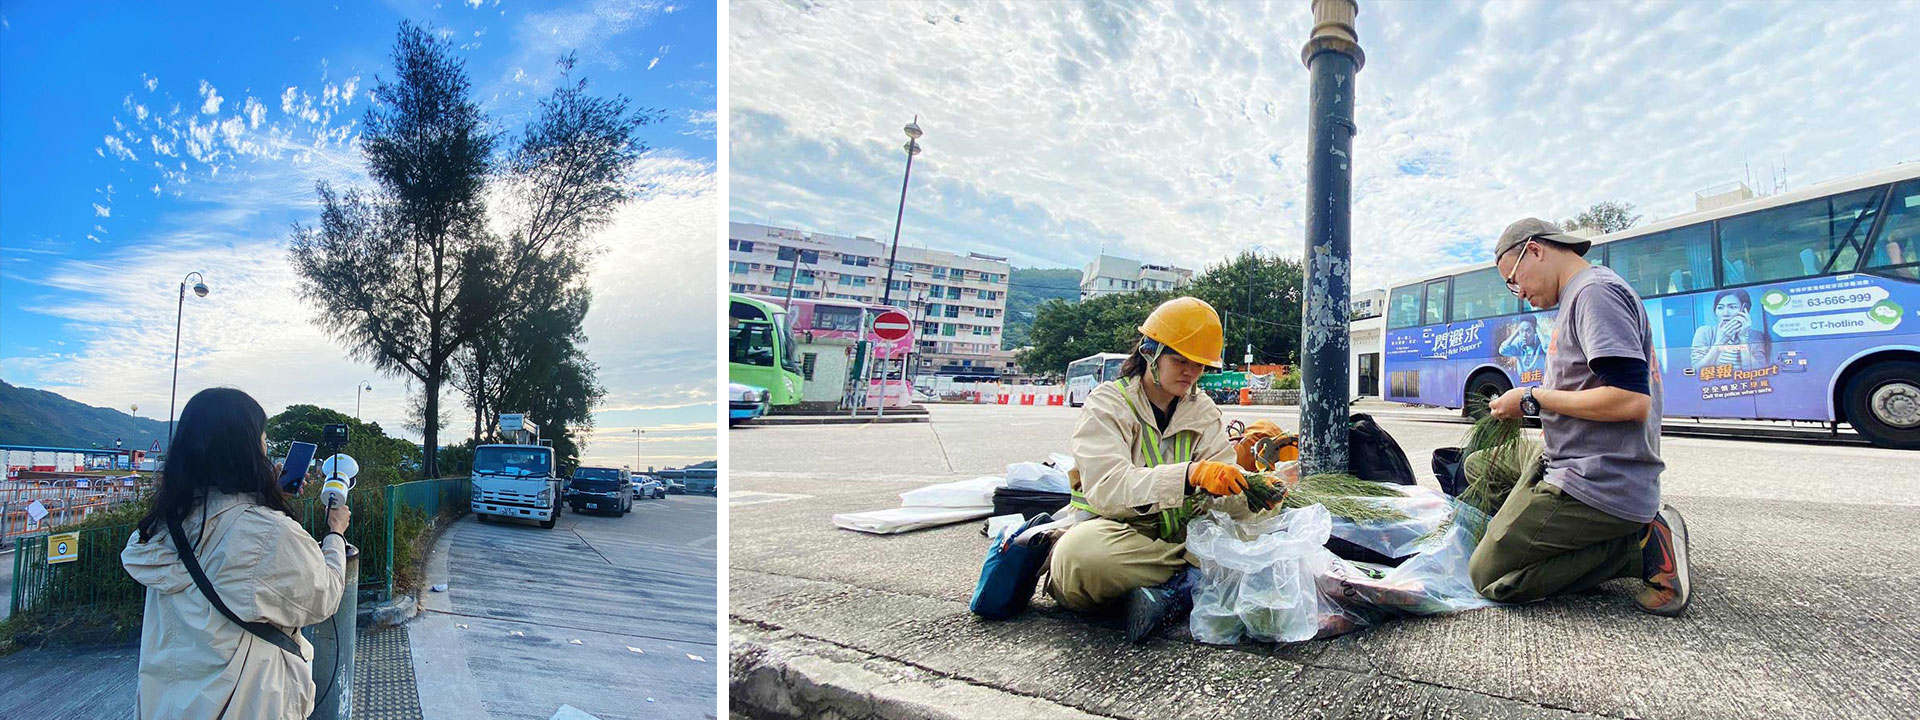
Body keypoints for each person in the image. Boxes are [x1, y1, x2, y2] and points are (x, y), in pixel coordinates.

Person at [1468, 218, 1693, 616]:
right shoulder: (1579, 295)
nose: (1519, 293)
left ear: (1535, 250)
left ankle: (1639, 549)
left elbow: (1630, 400)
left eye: (1514, 279)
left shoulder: (1595, 294)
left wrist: (1531, 400)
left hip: (1597, 479)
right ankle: (1557, 539)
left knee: (1487, 576)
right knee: (1477, 466)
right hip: (1564, 457)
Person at [1045, 296, 1279, 642]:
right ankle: (1195, 578)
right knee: (1078, 557)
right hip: (1121, 536)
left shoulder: (1203, 411)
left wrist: (1252, 492)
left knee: (1267, 524)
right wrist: (1189, 476)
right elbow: (1108, 489)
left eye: (1198, 364)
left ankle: (1179, 584)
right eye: (1179, 360)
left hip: (1180, 537)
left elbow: (1222, 493)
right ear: (1149, 352)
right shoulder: (1108, 404)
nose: (1190, 372)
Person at [121, 388, 352, 720]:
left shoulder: (162, 527)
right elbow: (324, 596)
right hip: (248, 703)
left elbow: (225, 534)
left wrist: (264, 498)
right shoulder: (268, 533)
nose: (265, 446)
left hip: (168, 706)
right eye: (262, 438)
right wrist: (334, 534)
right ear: (244, 450)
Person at [1690, 288, 1771, 373]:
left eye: (1732, 307)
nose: (1725, 313)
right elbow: (1697, 371)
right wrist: (1721, 340)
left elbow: (1758, 373)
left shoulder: (1755, 336)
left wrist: (1743, 339)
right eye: (1720, 307)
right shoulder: (1704, 332)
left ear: (1744, 310)